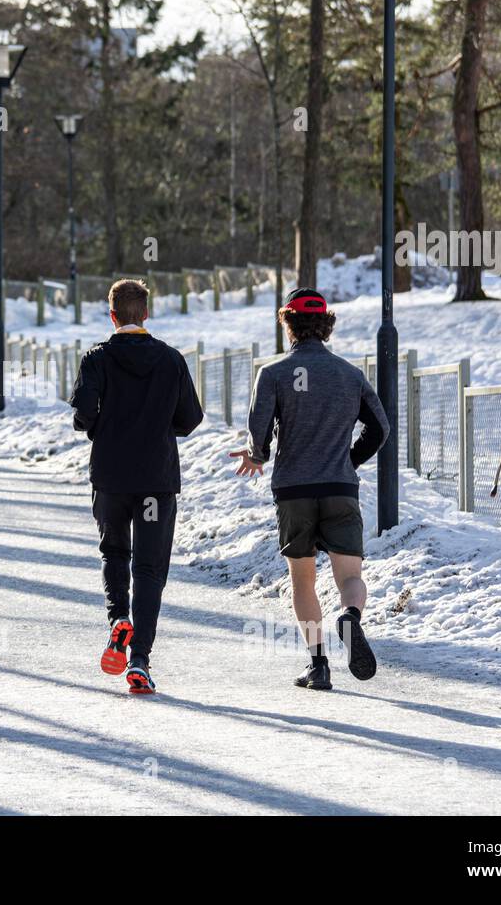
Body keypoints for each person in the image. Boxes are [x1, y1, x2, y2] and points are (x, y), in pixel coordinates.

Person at [230, 288, 389, 691]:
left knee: (302, 582)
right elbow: (380, 429)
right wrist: (347, 461)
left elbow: (260, 429)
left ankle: (318, 666)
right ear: (326, 326)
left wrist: (257, 455)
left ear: (289, 325)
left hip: (294, 489)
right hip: (339, 488)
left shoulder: (273, 373)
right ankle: (350, 616)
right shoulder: (350, 375)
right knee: (349, 577)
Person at [71, 279, 205, 695]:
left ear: (112, 315)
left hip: (111, 476)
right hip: (155, 479)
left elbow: (82, 417)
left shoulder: (96, 359)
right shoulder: (170, 360)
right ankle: (140, 660)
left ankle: (118, 620)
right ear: (146, 313)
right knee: (149, 568)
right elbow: (190, 418)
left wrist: (107, 427)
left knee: (114, 552)